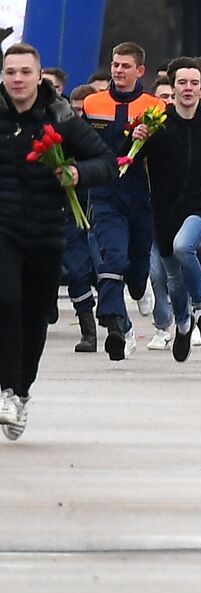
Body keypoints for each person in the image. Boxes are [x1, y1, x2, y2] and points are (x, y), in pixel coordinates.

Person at [0, 42, 116, 440]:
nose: (17, 79)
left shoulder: (61, 116)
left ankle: (21, 391)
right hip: (3, 229)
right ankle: (6, 389)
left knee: (35, 315)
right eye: (10, 72)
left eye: (25, 72)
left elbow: (106, 162)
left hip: (48, 231)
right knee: (5, 300)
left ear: (38, 76)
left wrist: (76, 173)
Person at [134, 56, 201, 362]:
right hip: (164, 209)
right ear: (172, 86)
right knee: (174, 280)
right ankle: (182, 324)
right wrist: (136, 137)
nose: (188, 88)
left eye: (194, 83)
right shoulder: (157, 121)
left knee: (184, 247)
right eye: (182, 83)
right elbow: (127, 159)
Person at [81, 41, 166, 361]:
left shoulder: (154, 105)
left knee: (138, 260)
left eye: (125, 66)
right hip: (104, 191)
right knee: (112, 255)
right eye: (115, 65)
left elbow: (162, 155)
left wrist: (149, 139)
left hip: (138, 191)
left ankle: (138, 285)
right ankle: (114, 321)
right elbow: (83, 143)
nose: (118, 70)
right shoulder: (93, 102)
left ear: (140, 71)